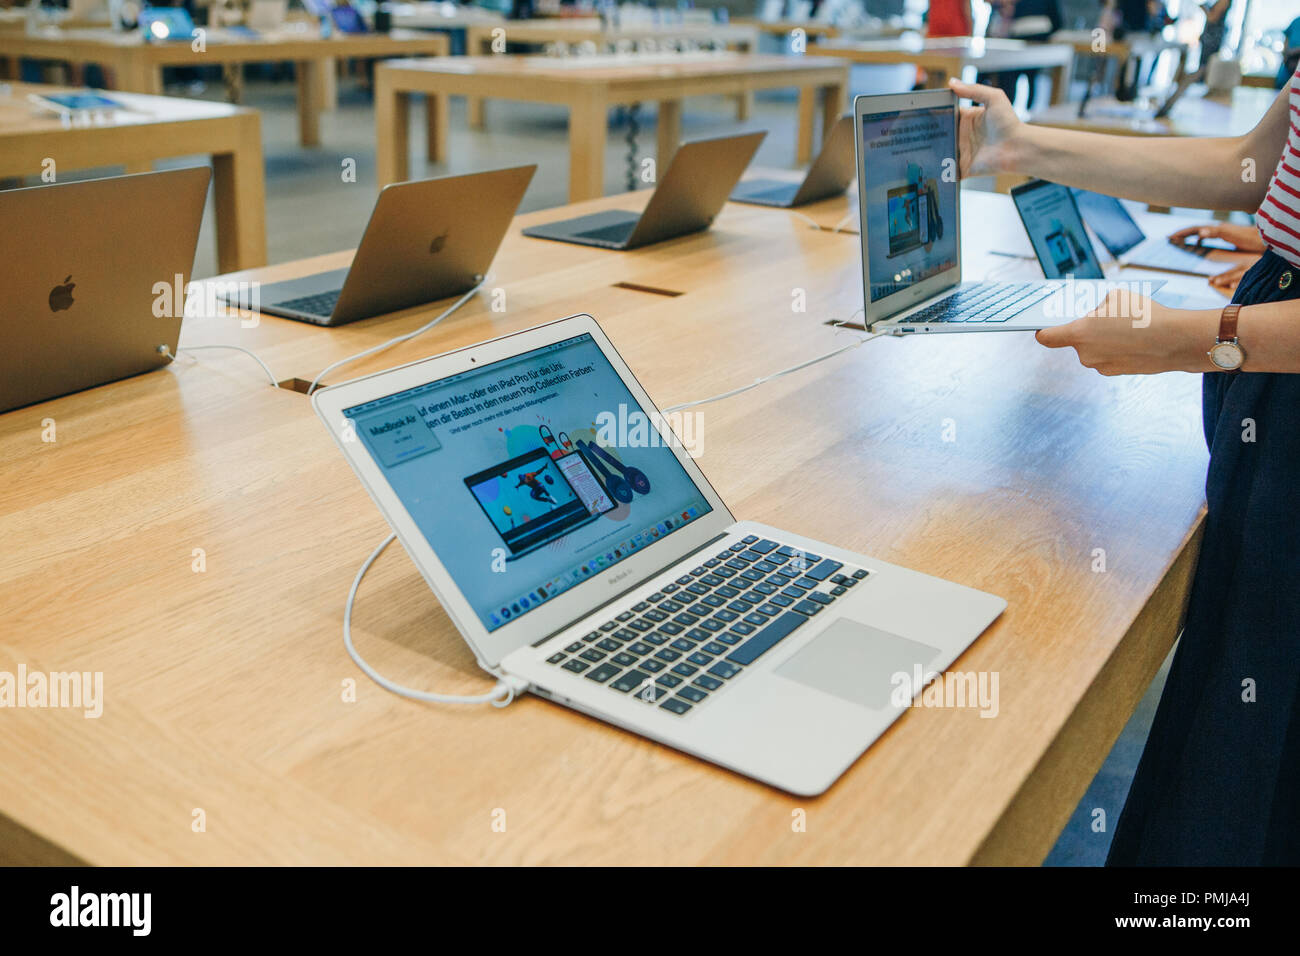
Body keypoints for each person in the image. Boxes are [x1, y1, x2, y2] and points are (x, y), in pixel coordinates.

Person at [951, 70, 1300, 865]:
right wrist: (1023, 146)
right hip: (1264, 350)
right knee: (1236, 695)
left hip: (1270, 353)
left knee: (1258, 738)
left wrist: (1191, 338)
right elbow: (1251, 164)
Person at [983, 0, 1064, 111]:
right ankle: (1026, 114)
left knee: (1011, 79)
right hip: (1034, 40)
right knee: (1029, 79)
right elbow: (1057, 22)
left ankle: (1009, 112)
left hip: (1019, 40)